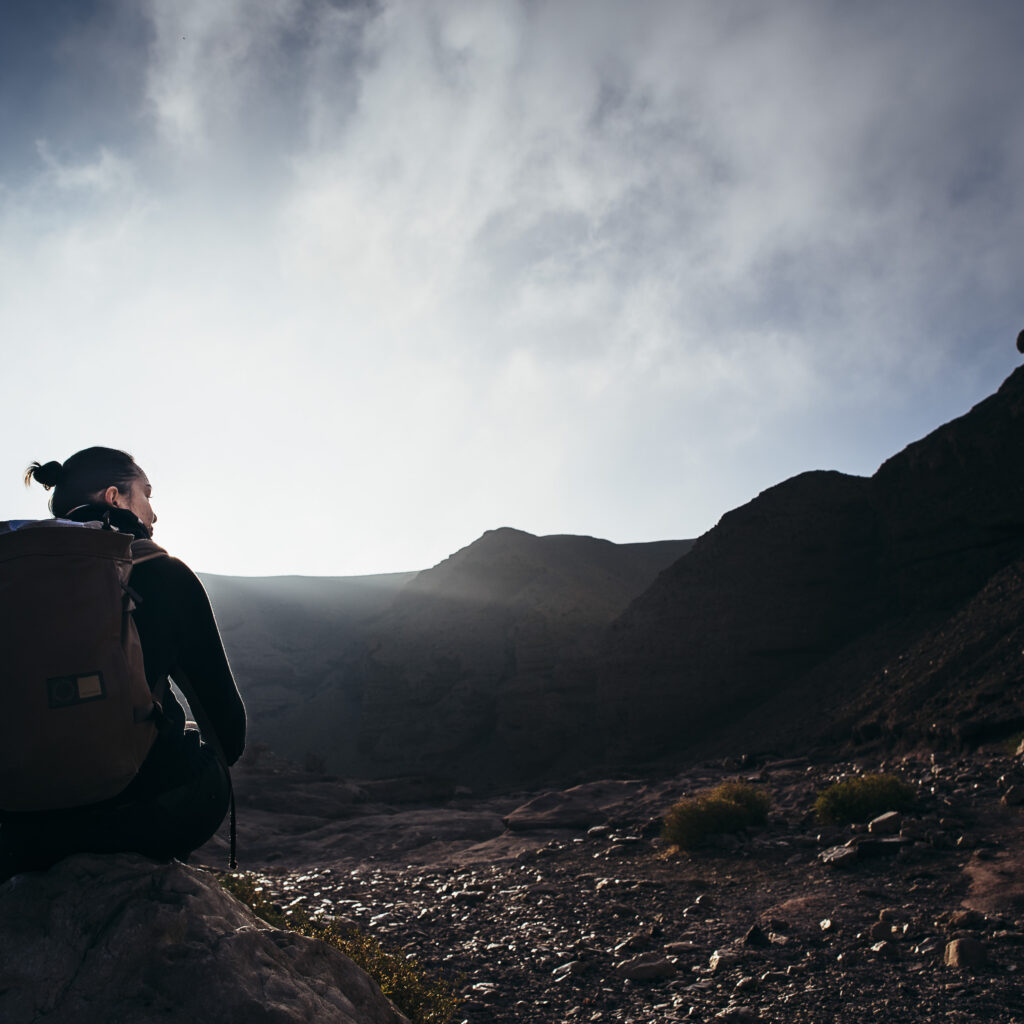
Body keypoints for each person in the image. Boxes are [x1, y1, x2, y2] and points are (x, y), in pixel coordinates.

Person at [0, 447, 246, 878]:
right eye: (146, 494)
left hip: (19, 829)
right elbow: (229, 734)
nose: (154, 512)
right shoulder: (160, 570)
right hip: (140, 815)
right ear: (114, 497)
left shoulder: (11, 578)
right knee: (205, 767)